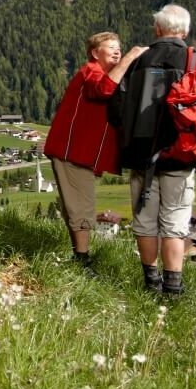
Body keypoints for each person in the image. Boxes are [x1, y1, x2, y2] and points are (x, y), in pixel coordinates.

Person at [44, 32, 147, 267]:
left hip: (80, 154)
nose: (117, 51)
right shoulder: (91, 71)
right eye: (110, 47)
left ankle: (79, 257)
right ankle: (82, 261)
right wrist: (130, 57)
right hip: (72, 153)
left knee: (77, 206)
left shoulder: (103, 72)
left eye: (120, 47)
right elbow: (102, 90)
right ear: (94, 53)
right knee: (82, 207)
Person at [112, 3, 193, 295]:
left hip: (141, 154)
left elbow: (115, 110)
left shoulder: (137, 60)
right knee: (175, 222)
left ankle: (151, 284)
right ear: (184, 31)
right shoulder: (195, 60)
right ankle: (173, 290)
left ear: (157, 29)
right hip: (181, 154)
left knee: (145, 222)